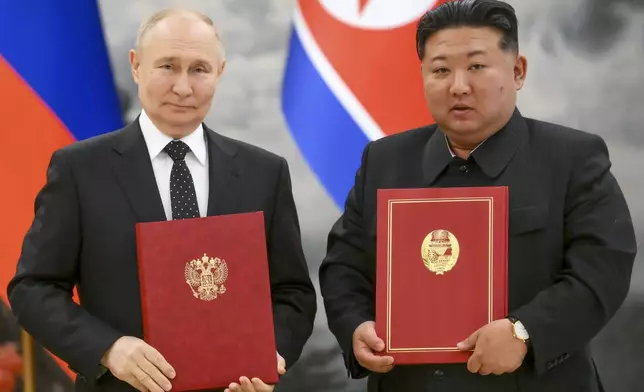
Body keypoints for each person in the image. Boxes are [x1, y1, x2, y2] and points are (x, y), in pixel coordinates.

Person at [318, 0, 637, 391]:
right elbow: (343, 265)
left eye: (476, 66)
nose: (458, 86)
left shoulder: (572, 158)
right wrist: (355, 326)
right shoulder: (384, 161)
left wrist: (526, 332)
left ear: (517, 70)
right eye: (440, 70)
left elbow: (603, 267)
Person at [7, 8, 316, 392]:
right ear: (136, 66)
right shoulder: (80, 170)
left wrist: (272, 355)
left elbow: (294, 294)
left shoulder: (264, 173)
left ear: (220, 71)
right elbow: (32, 288)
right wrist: (108, 349)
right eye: (168, 66)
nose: (183, 87)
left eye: (199, 69)